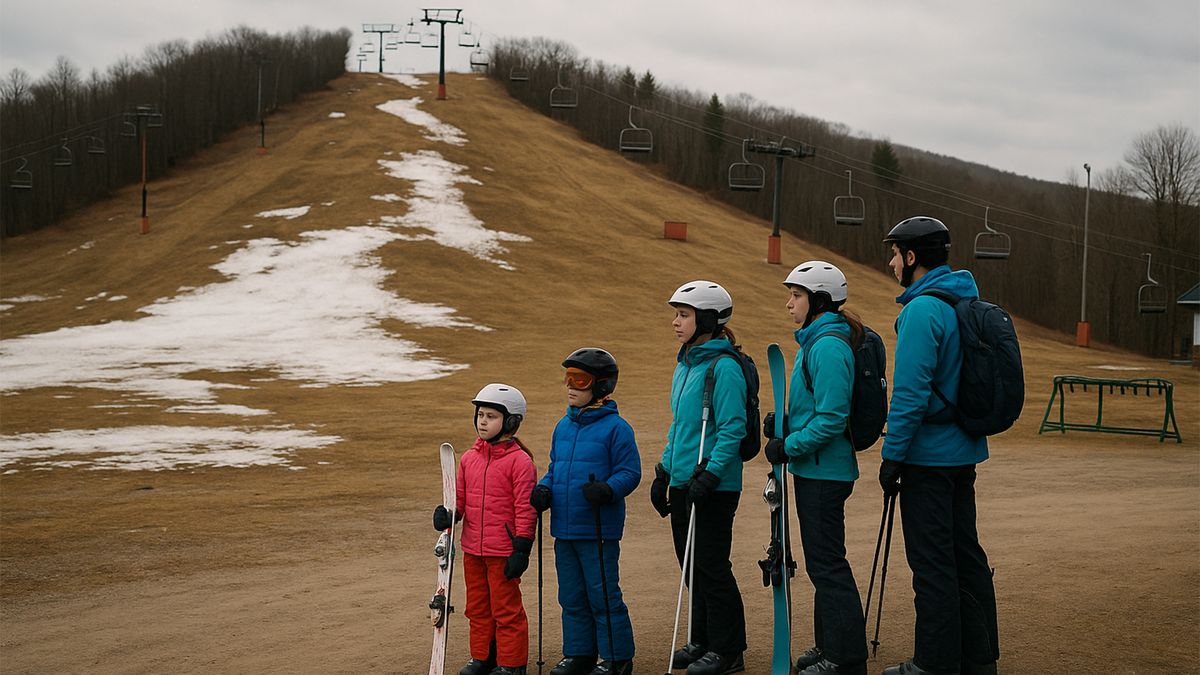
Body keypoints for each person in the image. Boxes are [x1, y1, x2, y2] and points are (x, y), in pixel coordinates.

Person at [877, 217, 1000, 675]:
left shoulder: (922, 310)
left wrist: (893, 457)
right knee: (965, 556)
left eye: (896, 254)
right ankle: (977, 657)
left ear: (913, 258)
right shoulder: (964, 299)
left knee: (931, 566)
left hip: (927, 458)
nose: (891, 263)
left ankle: (934, 662)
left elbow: (911, 394)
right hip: (963, 453)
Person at [762, 261, 869, 675]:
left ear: (819, 300)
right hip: (815, 469)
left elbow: (830, 418)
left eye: (796, 296)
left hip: (825, 472)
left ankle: (845, 657)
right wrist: (782, 422)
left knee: (828, 564)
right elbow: (812, 409)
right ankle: (830, 646)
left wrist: (787, 445)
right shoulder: (815, 342)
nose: (789, 303)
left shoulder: (827, 346)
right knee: (822, 563)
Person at [650, 280, 748, 675]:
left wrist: (709, 476)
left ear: (707, 319)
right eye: (676, 314)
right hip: (684, 481)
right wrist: (664, 472)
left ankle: (728, 650)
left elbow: (732, 429)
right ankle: (703, 639)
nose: (676, 322)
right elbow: (681, 427)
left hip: (714, 486)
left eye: (684, 315)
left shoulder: (724, 367)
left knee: (711, 564)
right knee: (690, 564)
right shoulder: (685, 364)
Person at [530, 348, 642, 675]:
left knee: (603, 595)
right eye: (568, 378)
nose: (571, 386)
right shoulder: (562, 427)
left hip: (597, 529)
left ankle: (616, 658)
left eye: (580, 380)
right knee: (571, 596)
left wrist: (608, 489)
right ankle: (579, 653)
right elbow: (556, 468)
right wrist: (545, 487)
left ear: (602, 385)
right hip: (564, 529)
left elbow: (630, 472)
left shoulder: (617, 429)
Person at [434, 383, 538, 675]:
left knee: (506, 609)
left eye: (491, 416)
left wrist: (522, 548)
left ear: (511, 422)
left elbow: (525, 509)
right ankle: (483, 657)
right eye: (480, 414)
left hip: (503, 551)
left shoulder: (520, 462)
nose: (482, 421)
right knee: (477, 608)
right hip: (473, 550)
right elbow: (461, 502)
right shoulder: (469, 459)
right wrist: (448, 515)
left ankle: (511, 664)